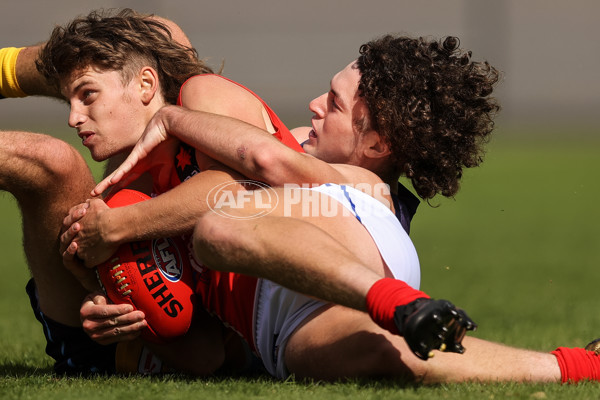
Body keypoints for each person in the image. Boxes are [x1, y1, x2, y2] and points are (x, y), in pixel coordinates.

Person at [49, 16, 600, 383]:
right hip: (282, 328)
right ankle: (579, 366)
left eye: (333, 103)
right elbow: (209, 356)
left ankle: (391, 301)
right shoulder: (195, 173)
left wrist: (167, 120)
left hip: (349, 243)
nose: (314, 104)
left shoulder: (345, 178)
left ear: (377, 144)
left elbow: (257, 165)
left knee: (220, 228)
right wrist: (128, 308)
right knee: (397, 357)